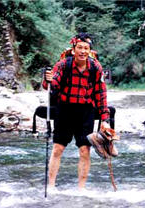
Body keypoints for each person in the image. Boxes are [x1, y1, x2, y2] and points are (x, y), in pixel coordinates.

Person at [43, 33, 110, 189]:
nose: (83, 51)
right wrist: (48, 80)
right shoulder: (62, 65)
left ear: (90, 51)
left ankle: (81, 188)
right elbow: (52, 86)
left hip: (86, 112)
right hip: (64, 109)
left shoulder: (95, 67)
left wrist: (104, 119)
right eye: (79, 47)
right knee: (58, 148)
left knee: (85, 150)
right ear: (73, 50)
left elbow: (101, 94)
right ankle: (51, 185)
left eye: (86, 48)